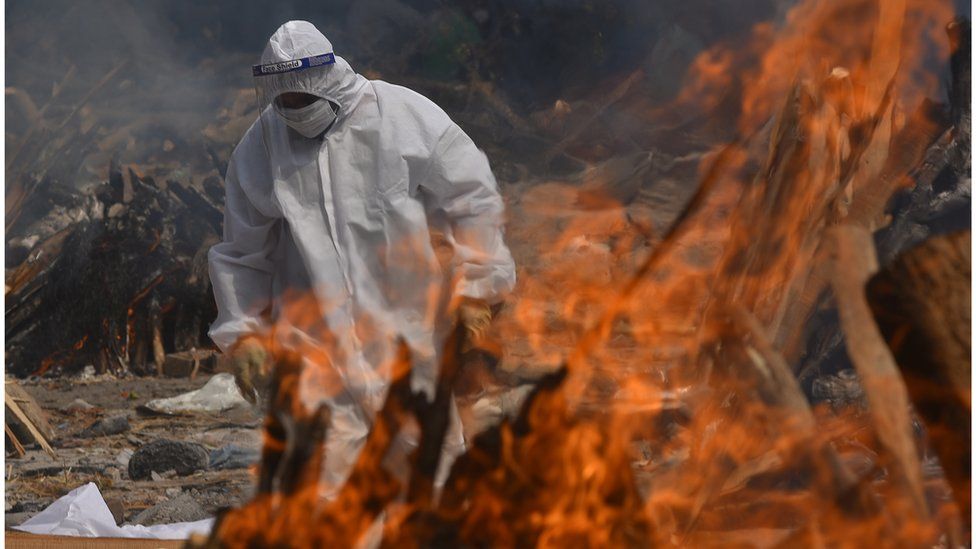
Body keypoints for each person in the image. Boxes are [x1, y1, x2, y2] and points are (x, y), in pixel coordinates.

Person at [207, 20, 515, 494]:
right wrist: (244, 333)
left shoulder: (400, 116)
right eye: (283, 101)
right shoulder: (263, 144)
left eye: (301, 99)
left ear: (325, 81)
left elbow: (471, 195)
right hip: (315, 349)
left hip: (405, 338)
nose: (293, 110)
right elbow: (242, 250)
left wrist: (479, 287)